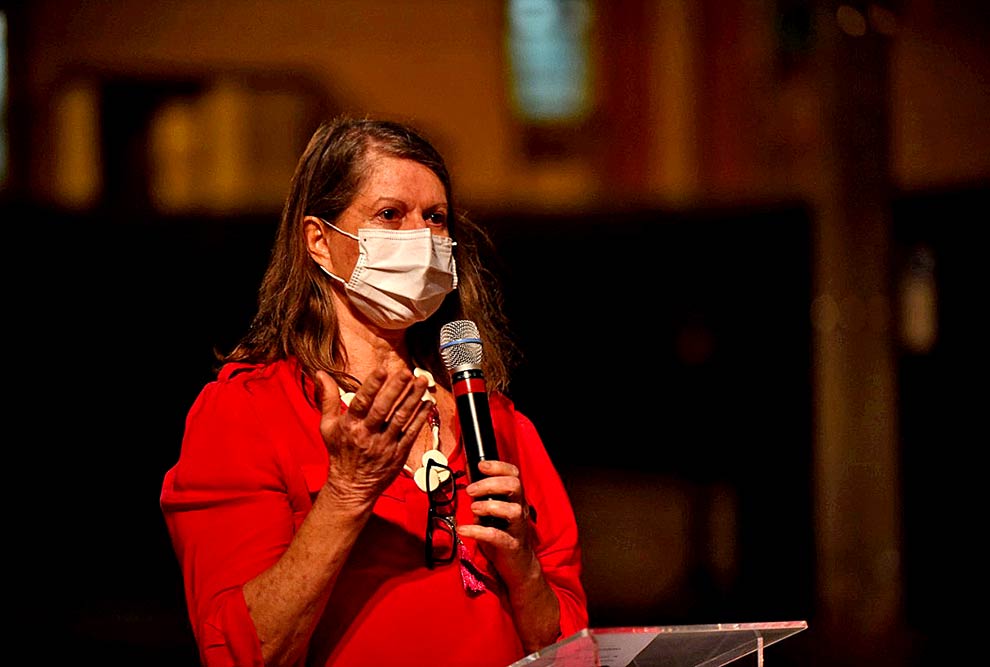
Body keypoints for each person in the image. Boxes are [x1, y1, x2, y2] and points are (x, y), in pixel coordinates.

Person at [160, 116, 589, 667]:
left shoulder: (498, 421)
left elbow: (572, 650)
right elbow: (243, 654)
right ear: (318, 241)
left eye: (435, 218)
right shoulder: (246, 412)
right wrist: (347, 492)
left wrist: (525, 569)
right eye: (390, 215)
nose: (421, 237)